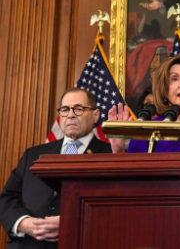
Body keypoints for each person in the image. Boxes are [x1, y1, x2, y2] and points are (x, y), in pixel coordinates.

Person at [0, 88, 112, 249]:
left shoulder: (111, 155)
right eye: (65, 109)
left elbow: (113, 209)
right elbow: (8, 198)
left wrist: (73, 223)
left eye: (79, 109)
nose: (71, 115)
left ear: (95, 115)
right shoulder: (34, 154)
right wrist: (24, 223)